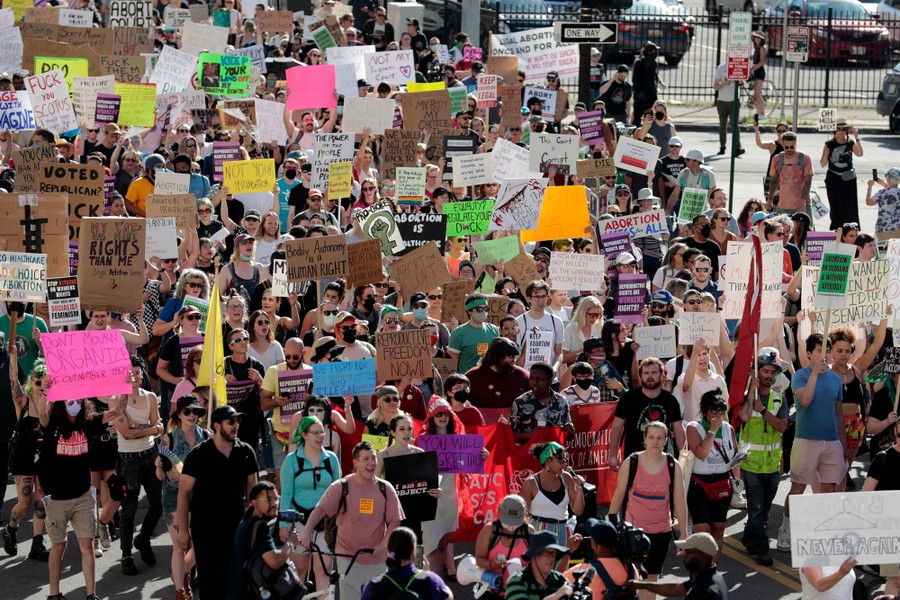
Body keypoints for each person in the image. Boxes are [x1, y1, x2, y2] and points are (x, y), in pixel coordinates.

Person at [298, 441, 405, 600]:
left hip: (377, 559)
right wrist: (306, 532)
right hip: (347, 559)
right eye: (366, 459)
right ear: (355, 463)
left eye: (373, 458)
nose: (371, 463)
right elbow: (320, 510)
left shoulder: (385, 488)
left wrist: (384, 544)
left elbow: (395, 521)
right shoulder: (341, 486)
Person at [175, 405, 259, 600]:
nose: (236, 425)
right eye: (231, 422)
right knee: (211, 584)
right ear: (216, 426)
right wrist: (182, 531)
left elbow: (252, 493)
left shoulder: (246, 452)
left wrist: (255, 524)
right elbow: (183, 493)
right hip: (206, 530)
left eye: (237, 421)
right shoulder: (198, 455)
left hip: (236, 528)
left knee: (237, 582)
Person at [777, 334, 849, 552]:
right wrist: (815, 375)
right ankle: (786, 529)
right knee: (798, 487)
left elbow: (838, 414)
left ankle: (825, 532)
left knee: (829, 488)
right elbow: (805, 401)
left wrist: (843, 444)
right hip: (805, 440)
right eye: (819, 351)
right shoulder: (800, 376)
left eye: (826, 351)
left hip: (831, 441)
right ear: (808, 353)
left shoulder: (836, 379)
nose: (824, 355)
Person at [608, 421, 689, 600]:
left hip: (660, 532)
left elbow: (680, 501)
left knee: (651, 579)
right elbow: (619, 495)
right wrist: (610, 527)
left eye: (660, 438)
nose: (655, 441)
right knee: (629, 579)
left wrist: (684, 533)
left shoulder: (672, 465)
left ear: (666, 440)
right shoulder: (632, 462)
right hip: (633, 532)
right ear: (644, 439)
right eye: (651, 437)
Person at [38, 397, 102, 600]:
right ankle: (54, 594)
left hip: (83, 494)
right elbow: (41, 413)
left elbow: (115, 411)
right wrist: (45, 393)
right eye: (69, 401)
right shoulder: (53, 425)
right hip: (57, 498)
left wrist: (124, 389)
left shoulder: (88, 423)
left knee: (87, 544)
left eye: (78, 400)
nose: (74, 404)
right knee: (59, 545)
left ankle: (91, 595)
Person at [112, 357, 164, 575]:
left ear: (142, 374)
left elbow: (159, 427)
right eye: (129, 372)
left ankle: (143, 539)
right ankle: (125, 555)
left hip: (150, 456)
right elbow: (126, 433)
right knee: (129, 510)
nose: (134, 375)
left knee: (157, 505)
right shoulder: (116, 400)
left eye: (137, 371)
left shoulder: (151, 397)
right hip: (128, 460)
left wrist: (141, 429)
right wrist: (148, 429)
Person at [737, 349, 789, 567]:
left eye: (771, 372)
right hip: (751, 465)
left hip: (772, 466)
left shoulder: (779, 399)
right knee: (757, 508)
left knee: (764, 509)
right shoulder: (747, 397)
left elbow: (782, 427)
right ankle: (762, 548)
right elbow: (744, 416)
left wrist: (764, 410)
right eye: (764, 371)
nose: (768, 375)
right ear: (757, 373)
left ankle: (749, 536)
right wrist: (751, 390)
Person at [156, 395, 209, 599]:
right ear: (178, 414)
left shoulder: (206, 436)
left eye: (196, 411)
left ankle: (179, 573)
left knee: (200, 544)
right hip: (173, 497)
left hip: (200, 498)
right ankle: (180, 590)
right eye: (187, 411)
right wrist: (159, 467)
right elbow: (161, 476)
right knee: (180, 545)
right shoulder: (167, 439)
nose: (192, 415)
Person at [280, 416, 340, 591]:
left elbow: (338, 492)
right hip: (298, 522)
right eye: (315, 432)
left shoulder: (331, 459)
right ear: (304, 435)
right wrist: (284, 524)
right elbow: (286, 494)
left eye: (322, 431)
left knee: (324, 571)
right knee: (299, 570)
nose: (320, 436)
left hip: (325, 523)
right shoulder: (291, 460)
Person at [4, 352, 50, 561]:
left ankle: (37, 544)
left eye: (45, 382)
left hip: (44, 456)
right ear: (32, 381)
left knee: (42, 502)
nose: (41, 385)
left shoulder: (52, 403)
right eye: (37, 381)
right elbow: (13, 380)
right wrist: (13, 358)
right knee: (25, 501)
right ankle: (11, 528)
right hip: (23, 454)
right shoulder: (23, 401)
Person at [685, 389, 739, 564]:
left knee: (718, 529)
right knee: (703, 531)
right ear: (705, 411)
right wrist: (712, 432)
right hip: (699, 485)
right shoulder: (694, 427)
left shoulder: (728, 428)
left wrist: (738, 477)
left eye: (720, 411)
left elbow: (734, 455)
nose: (717, 414)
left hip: (722, 483)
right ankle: (699, 568)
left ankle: (711, 568)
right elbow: (701, 453)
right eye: (713, 410)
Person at [230, 481, 305, 600]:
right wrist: (290, 543)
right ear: (254, 503)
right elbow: (274, 561)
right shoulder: (259, 527)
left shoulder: (245, 523)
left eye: (276, 499)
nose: (275, 504)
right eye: (268, 500)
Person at [609, 357, 685, 470]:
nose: (650, 376)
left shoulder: (670, 400)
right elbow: (616, 427)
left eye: (654, 372)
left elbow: (678, 430)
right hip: (634, 460)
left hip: (662, 461)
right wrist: (612, 456)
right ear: (641, 376)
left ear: (661, 375)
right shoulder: (628, 398)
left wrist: (684, 459)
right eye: (646, 373)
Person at [521, 442, 585, 553]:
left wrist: (579, 489)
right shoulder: (531, 483)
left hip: (563, 532)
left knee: (561, 568)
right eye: (560, 461)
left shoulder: (566, 477)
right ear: (548, 461)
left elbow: (578, 511)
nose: (564, 464)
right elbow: (523, 515)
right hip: (539, 532)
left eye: (565, 460)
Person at [626, 532, 729, 599]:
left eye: (688, 552)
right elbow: (675, 589)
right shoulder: (711, 577)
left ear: (702, 555)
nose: (684, 555)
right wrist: (641, 585)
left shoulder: (705, 592)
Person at [361, 526, 453, 600]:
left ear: (389, 551)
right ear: (413, 551)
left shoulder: (374, 585)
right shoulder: (431, 581)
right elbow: (448, 597)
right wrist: (427, 574)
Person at [863, 417, 900, 596]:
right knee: (895, 579)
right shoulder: (883, 459)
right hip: (890, 532)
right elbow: (866, 496)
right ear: (895, 432)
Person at [474, 494, 534, 599]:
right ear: (499, 512)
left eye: (515, 521)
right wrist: (492, 564)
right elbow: (479, 560)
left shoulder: (530, 532)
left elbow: (537, 563)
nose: (511, 526)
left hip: (519, 593)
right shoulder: (489, 530)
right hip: (490, 592)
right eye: (508, 520)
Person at [564, 518, 640, 598]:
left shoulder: (584, 571)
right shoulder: (631, 570)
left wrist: (569, 551)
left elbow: (556, 581)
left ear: (597, 546)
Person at [506, 362, 574, 445]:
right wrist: (532, 435)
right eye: (531, 378)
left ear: (550, 380)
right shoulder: (521, 402)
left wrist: (570, 431)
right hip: (528, 454)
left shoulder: (561, 401)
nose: (534, 382)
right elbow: (510, 435)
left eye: (540, 379)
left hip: (554, 455)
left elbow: (568, 434)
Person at [503, 530, 572, 600]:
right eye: (546, 553)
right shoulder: (517, 581)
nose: (551, 558)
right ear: (533, 556)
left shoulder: (561, 580)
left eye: (553, 554)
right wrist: (555, 596)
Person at [820, 120, 864, 230]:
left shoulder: (850, 143)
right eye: (838, 129)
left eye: (843, 129)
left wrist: (857, 137)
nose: (841, 131)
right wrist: (825, 155)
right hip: (833, 178)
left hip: (848, 178)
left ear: (847, 131)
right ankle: (837, 229)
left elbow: (860, 154)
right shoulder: (829, 144)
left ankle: (851, 230)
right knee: (836, 205)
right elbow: (822, 164)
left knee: (850, 204)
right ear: (834, 131)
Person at [466, 337, 530, 410]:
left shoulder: (523, 376)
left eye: (515, 356)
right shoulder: (472, 376)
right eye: (511, 356)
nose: (514, 359)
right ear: (497, 357)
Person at [448, 292, 499, 373]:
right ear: (470, 311)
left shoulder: (494, 330)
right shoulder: (458, 333)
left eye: (486, 309)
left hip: (489, 379)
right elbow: (452, 364)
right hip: (467, 381)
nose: (483, 312)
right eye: (479, 309)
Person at [767, 131, 814, 217]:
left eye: (792, 147)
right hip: (783, 206)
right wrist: (770, 200)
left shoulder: (804, 159)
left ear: (796, 144)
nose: (789, 149)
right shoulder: (777, 159)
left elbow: (808, 182)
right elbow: (773, 181)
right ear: (782, 144)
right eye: (786, 147)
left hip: (802, 206)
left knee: (807, 230)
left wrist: (802, 201)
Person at [712, 62, 744, 157]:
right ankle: (722, 147)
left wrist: (740, 80)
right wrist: (725, 83)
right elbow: (715, 86)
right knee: (723, 125)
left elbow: (742, 83)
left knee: (735, 124)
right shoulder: (721, 68)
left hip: (734, 101)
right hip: (722, 101)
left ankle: (737, 148)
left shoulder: (738, 67)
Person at [631, 42, 662, 126]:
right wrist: (639, 92)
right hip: (640, 94)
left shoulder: (654, 63)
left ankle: (648, 134)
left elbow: (654, 76)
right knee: (638, 116)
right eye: (654, 51)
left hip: (651, 93)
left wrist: (658, 86)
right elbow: (635, 79)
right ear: (650, 52)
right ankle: (636, 134)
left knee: (651, 115)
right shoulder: (639, 62)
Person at [866, 167, 900, 234]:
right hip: (898, 230)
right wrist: (884, 184)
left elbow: (869, 202)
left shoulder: (882, 193)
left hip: (882, 229)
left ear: (888, 179)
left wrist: (869, 187)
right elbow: (892, 191)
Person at [750, 31, 768, 117]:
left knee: (757, 94)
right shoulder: (757, 48)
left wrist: (753, 68)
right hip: (755, 71)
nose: (756, 39)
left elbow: (761, 62)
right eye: (755, 38)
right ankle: (759, 112)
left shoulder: (762, 48)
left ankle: (762, 113)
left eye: (758, 38)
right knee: (755, 94)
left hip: (759, 72)